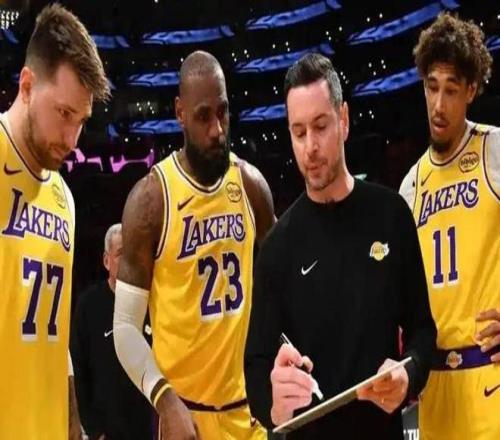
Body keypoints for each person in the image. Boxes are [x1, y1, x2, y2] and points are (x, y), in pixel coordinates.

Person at [244, 53, 437, 439]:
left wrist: (408, 373)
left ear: (344, 120)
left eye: (320, 126)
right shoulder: (277, 247)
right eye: (299, 132)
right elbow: (256, 367)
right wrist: (274, 403)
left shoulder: (391, 215)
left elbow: (422, 331)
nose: (310, 147)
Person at [113, 50, 275, 440]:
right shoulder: (151, 200)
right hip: (185, 418)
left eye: (223, 112)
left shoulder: (251, 187)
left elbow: (283, 292)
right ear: (180, 113)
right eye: (204, 116)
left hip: (249, 414)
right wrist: (165, 400)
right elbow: (125, 328)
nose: (217, 130)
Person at [0, 4, 109, 439]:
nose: (72, 139)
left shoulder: (64, 198)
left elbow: (53, 332)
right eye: (63, 114)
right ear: (27, 85)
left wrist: (73, 421)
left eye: (81, 121)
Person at [400, 13, 500, 440]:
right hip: (435, 389)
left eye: (452, 90)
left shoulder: (494, 150)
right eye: (432, 87)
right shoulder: (410, 186)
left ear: (472, 90)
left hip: (490, 378)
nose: (438, 106)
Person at [71, 224, 153, 440]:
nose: (128, 260)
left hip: (147, 430)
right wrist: (94, 429)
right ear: (106, 261)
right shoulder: (88, 305)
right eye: (120, 254)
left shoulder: (151, 303)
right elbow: (78, 370)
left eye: (132, 253)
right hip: (105, 432)